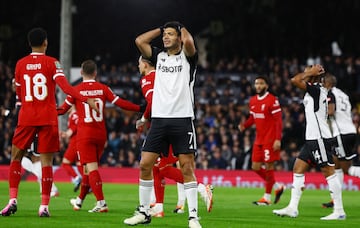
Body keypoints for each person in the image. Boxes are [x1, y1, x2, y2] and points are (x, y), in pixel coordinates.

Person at [0, 27, 98, 217]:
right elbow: (66, 87)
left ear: (29, 44)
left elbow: (19, 94)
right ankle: (44, 206)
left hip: (27, 117)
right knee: (47, 163)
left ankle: (12, 200)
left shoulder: (20, 64)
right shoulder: (52, 63)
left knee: (15, 158)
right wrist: (86, 99)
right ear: (45, 42)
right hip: (47, 117)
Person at [124, 21, 201, 228]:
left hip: (182, 119)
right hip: (159, 120)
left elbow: (189, 41)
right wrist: (161, 29)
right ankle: (143, 212)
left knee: (186, 167)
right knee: (144, 164)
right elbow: (139, 40)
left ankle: (193, 217)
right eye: (164, 35)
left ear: (178, 37)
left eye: (170, 34)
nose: (165, 37)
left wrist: (181, 26)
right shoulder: (158, 57)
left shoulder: (188, 57)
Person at [57, 59, 144, 213]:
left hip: (85, 135)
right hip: (101, 134)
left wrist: (46, 109)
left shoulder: (76, 90)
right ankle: (79, 202)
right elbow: (121, 103)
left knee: (91, 170)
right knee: (87, 171)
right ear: (95, 73)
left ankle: (101, 203)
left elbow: (63, 110)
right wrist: (139, 108)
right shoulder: (103, 88)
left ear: (82, 72)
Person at [136, 55, 213, 218]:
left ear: (144, 64)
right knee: (157, 168)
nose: (138, 67)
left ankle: (200, 188)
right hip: (175, 121)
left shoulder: (147, 79)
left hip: (166, 126)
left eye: (139, 64)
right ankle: (159, 206)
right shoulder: (165, 75)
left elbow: (152, 100)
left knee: (161, 167)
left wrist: (143, 118)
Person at [273, 64, 346, 220]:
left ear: (315, 74)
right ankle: (292, 208)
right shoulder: (314, 90)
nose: (305, 70)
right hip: (312, 139)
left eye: (309, 68)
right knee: (298, 168)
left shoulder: (317, 90)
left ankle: (339, 211)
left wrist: (310, 73)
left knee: (329, 172)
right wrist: (311, 73)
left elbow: (294, 80)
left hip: (319, 138)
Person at [238, 75, 285, 205]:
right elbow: (253, 118)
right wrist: (244, 125)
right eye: (256, 83)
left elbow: (278, 121)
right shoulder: (253, 100)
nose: (258, 86)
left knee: (269, 167)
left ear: (266, 86)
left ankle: (267, 198)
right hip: (259, 139)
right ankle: (277, 187)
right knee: (255, 167)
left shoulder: (272, 100)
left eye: (261, 83)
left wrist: (277, 139)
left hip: (270, 140)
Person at [321, 73, 357, 208]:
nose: (322, 85)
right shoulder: (343, 94)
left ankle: (336, 200)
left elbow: (330, 111)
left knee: (347, 169)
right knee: (335, 164)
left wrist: (319, 113)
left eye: (323, 83)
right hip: (349, 131)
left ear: (329, 83)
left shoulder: (330, 93)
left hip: (341, 133)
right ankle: (335, 199)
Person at [59, 106, 83, 192]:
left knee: (65, 163)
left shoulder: (74, 115)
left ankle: (76, 178)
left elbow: (75, 126)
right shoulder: (73, 115)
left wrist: (67, 133)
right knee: (79, 164)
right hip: (79, 143)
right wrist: (65, 134)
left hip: (74, 143)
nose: (66, 107)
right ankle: (88, 185)